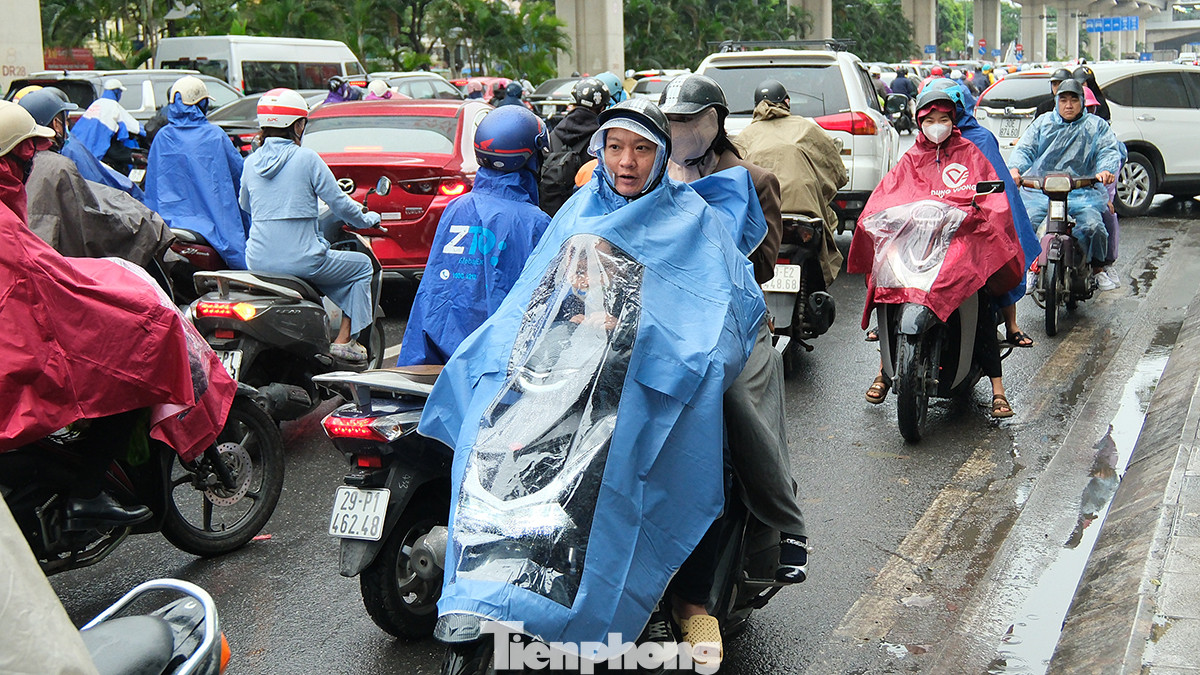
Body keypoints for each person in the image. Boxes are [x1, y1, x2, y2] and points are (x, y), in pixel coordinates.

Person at [422, 99, 766, 670]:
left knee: (694, 457)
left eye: (641, 149)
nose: (626, 161)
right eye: (615, 147)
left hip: (653, 381)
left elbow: (716, 311)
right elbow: (531, 301)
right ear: (599, 151)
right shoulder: (578, 210)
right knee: (493, 442)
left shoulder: (693, 219)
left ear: (661, 156)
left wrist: (646, 334)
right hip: (574, 375)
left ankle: (690, 600)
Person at [0, 101, 235, 523]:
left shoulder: (157, 139)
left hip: (42, 307)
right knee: (136, 359)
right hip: (26, 341)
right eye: (26, 154)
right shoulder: (51, 178)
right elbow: (59, 259)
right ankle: (87, 491)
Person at [850, 89, 1025, 419]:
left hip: (961, 246)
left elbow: (992, 196)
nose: (936, 126)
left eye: (943, 119)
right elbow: (886, 195)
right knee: (890, 294)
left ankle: (998, 388)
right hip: (918, 246)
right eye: (929, 120)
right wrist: (875, 216)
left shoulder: (970, 153)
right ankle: (883, 372)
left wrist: (980, 214)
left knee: (981, 299)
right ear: (919, 122)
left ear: (953, 121)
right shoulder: (910, 158)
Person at [397, 106, 551, 365]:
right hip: (496, 369)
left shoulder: (456, 208)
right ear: (530, 158)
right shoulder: (534, 222)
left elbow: (432, 294)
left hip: (436, 363)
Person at [239, 88, 382, 362]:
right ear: (297, 125)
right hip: (302, 261)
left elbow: (246, 205)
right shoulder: (306, 159)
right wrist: (368, 219)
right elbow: (339, 204)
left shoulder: (251, 163)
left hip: (257, 261)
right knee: (361, 266)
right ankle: (345, 341)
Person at [923, 77, 1041, 348]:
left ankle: (1011, 325)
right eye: (931, 114)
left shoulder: (980, 139)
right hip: (936, 219)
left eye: (945, 111)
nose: (938, 120)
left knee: (1003, 257)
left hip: (977, 217)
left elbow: (1000, 189)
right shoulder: (924, 143)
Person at [18, 88, 173, 269]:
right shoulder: (59, 165)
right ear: (56, 124)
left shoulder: (20, 162)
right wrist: (143, 225)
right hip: (58, 265)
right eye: (65, 120)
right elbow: (90, 218)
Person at [735, 78, 849, 290]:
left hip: (761, 218)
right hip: (804, 217)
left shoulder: (744, 137)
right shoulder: (807, 128)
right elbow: (835, 171)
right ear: (786, 102)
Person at [1010, 79, 1123, 291]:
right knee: (1028, 223)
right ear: (1056, 101)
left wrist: (1106, 170)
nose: (1068, 105)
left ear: (1082, 101)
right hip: (1042, 193)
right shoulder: (1043, 124)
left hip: (1083, 192)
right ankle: (1031, 270)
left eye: (1073, 100)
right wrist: (1015, 169)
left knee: (1093, 227)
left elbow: (1108, 151)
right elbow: (1025, 148)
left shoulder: (1096, 126)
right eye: (1063, 99)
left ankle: (1098, 269)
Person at [146, 75, 250, 270]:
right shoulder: (215, 135)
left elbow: (151, 189)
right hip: (214, 229)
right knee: (244, 271)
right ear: (201, 104)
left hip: (167, 226)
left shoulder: (162, 137)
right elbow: (240, 177)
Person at [21, 87, 146, 203]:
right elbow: (100, 191)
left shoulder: (20, 159)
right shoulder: (66, 156)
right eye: (65, 118)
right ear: (56, 124)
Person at [539, 77, 610, 216]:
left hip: (550, 210)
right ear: (601, 108)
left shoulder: (554, 132)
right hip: (582, 213)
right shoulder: (600, 138)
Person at [69, 78, 143, 174]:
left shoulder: (96, 104)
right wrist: (145, 132)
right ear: (117, 92)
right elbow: (134, 126)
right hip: (101, 149)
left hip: (81, 149)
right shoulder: (113, 106)